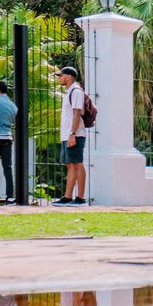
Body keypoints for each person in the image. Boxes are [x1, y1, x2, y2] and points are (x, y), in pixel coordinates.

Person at [56, 66, 89, 206]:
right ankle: (68, 196)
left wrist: (73, 134)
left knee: (77, 163)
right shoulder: (69, 92)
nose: (59, 78)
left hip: (75, 134)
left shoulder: (76, 91)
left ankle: (80, 197)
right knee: (70, 164)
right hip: (68, 134)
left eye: (61, 75)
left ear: (69, 76)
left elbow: (77, 113)